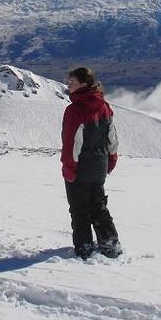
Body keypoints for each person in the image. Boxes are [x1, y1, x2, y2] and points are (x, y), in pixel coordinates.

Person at [61, 67, 121, 259]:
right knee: (98, 206)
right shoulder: (104, 105)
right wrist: (111, 159)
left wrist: (69, 168)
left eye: (72, 82)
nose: (68, 85)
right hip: (100, 164)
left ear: (83, 84)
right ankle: (110, 244)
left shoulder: (74, 110)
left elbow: (72, 143)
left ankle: (85, 249)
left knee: (79, 209)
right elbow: (111, 136)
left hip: (80, 167)